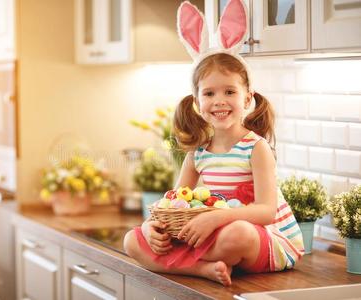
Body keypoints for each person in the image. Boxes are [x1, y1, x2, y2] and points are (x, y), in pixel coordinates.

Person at [123, 0, 304, 286]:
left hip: (268, 240)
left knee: (238, 233)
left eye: (229, 91)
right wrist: (151, 227)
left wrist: (216, 219)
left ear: (247, 97)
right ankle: (202, 269)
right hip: (217, 237)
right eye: (209, 94)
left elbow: (266, 211)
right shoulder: (198, 153)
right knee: (132, 240)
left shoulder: (255, 148)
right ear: (197, 102)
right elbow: (174, 203)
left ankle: (189, 264)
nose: (219, 101)